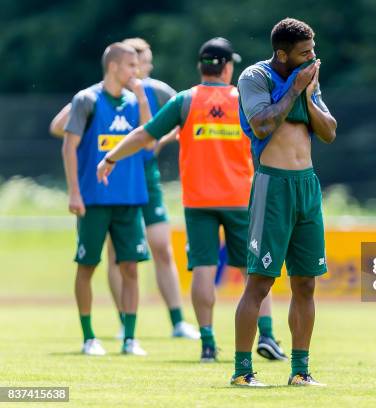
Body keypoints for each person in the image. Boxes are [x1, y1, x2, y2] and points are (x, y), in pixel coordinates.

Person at [95, 37, 286, 363]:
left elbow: (145, 135)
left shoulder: (186, 101)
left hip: (198, 201)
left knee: (203, 270)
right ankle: (266, 335)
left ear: (201, 67)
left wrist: (111, 156)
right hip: (241, 199)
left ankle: (208, 343)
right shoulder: (244, 99)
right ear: (227, 67)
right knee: (253, 271)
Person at [50, 38, 199, 340]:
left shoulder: (154, 91)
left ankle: (176, 322)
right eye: (139, 63)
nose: (144, 68)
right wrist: (86, 137)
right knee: (114, 256)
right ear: (119, 65)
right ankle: (122, 324)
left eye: (142, 64)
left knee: (158, 247)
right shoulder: (93, 96)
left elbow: (169, 127)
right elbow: (60, 128)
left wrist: (162, 138)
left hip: (142, 180)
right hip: (106, 184)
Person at [231, 18, 337, 387]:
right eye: (304, 52)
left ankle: (300, 371)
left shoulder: (308, 78)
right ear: (282, 54)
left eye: (313, 50)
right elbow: (261, 124)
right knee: (259, 283)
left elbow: (329, 132)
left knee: (305, 283)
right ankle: (243, 372)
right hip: (272, 186)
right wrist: (294, 90)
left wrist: (308, 95)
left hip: (307, 186)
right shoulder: (254, 78)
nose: (312, 57)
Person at [62, 42, 152, 356]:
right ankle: (89, 337)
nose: (136, 71)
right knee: (87, 266)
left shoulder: (133, 101)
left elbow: (147, 141)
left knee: (130, 268)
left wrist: (141, 98)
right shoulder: (87, 100)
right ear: (114, 66)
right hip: (93, 200)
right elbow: (68, 146)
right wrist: (74, 191)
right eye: (131, 65)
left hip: (129, 199)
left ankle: (130, 338)